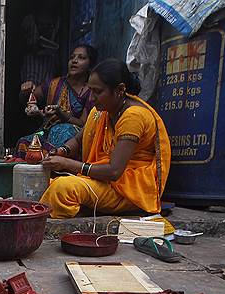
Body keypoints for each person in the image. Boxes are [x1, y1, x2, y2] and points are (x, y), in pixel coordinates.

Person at [39, 59, 171, 219]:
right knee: (45, 183)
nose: (92, 98)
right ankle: (86, 208)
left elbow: (114, 171)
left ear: (120, 90)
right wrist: (62, 151)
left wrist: (68, 164)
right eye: (90, 91)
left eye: (98, 92)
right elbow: (78, 140)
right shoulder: (100, 112)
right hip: (106, 181)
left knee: (63, 188)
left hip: (130, 190)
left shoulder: (134, 117)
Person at [16, 45, 98, 158]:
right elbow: (27, 98)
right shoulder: (55, 84)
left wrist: (61, 114)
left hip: (73, 136)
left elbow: (84, 124)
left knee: (61, 130)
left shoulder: (91, 91)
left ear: (90, 65)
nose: (74, 61)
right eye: (72, 57)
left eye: (81, 58)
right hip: (47, 131)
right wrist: (26, 90)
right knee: (24, 142)